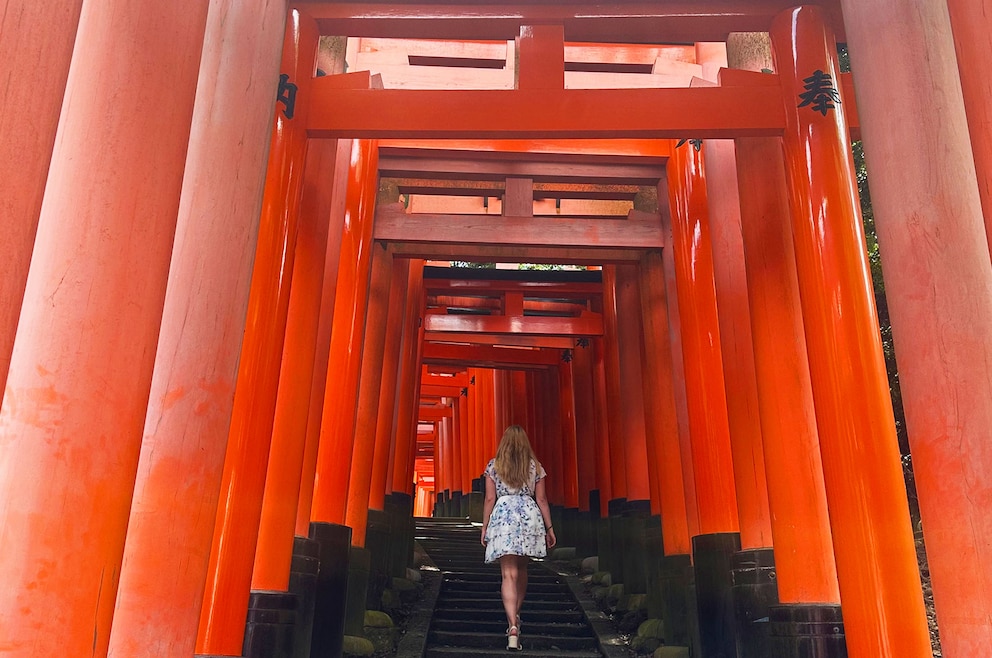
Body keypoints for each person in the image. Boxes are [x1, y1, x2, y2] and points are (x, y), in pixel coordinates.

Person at [480, 425, 557, 651]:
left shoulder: (494, 466)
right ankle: (517, 616)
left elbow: (489, 499)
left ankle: (512, 625)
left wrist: (484, 527)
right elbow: (542, 499)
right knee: (522, 571)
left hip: (503, 516)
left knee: (508, 573)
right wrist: (549, 528)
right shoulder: (535, 467)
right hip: (528, 515)